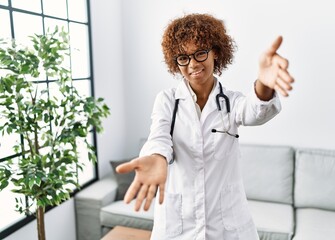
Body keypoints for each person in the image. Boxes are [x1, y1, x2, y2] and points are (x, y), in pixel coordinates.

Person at [116, 13, 294, 240]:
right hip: (179, 225)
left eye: (200, 53)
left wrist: (264, 84)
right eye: (183, 57)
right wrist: (157, 158)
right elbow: (159, 137)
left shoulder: (231, 102)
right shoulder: (167, 100)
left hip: (226, 224)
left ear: (216, 52)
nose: (192, 64)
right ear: (175, 61)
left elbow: (254, 111)